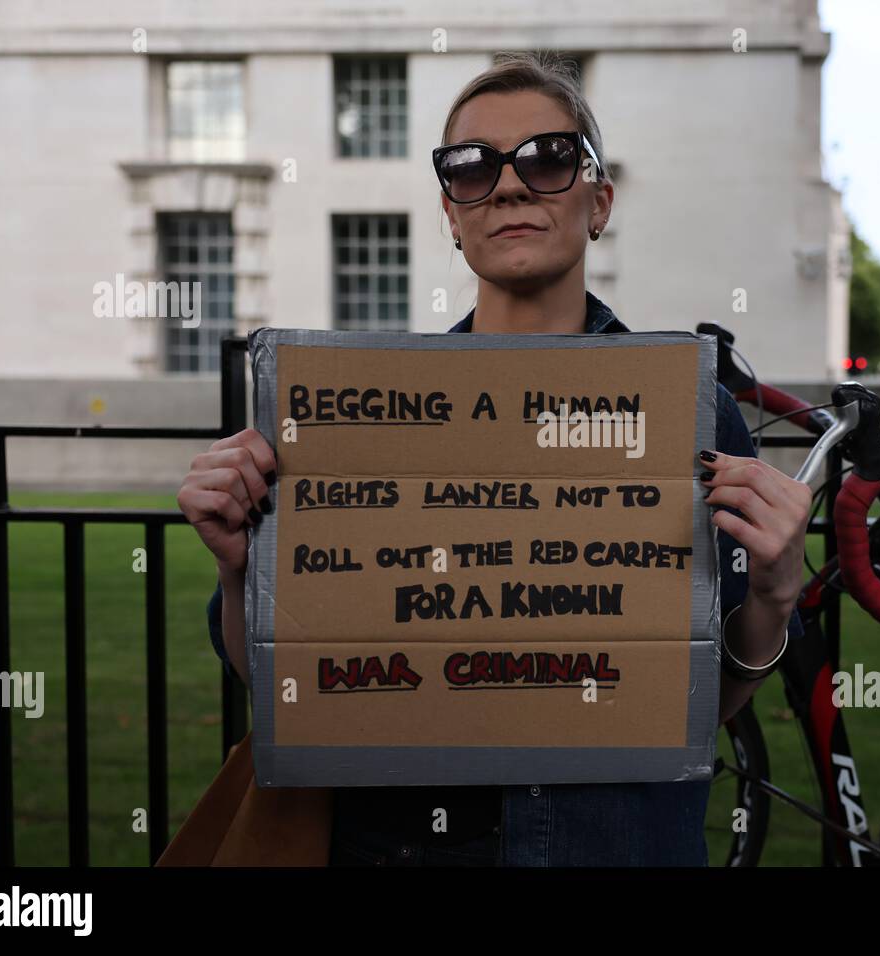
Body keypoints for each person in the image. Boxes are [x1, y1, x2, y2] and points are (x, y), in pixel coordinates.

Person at [175, 51, 811, 867]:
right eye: (471, 167)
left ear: (599, 200)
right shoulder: (352, 423)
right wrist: (237, 571)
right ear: (451, 211)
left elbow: (697, 705)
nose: (509, 186)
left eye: (548, 159)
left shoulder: (692, 412)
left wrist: (774, 594)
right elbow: (277, 677)